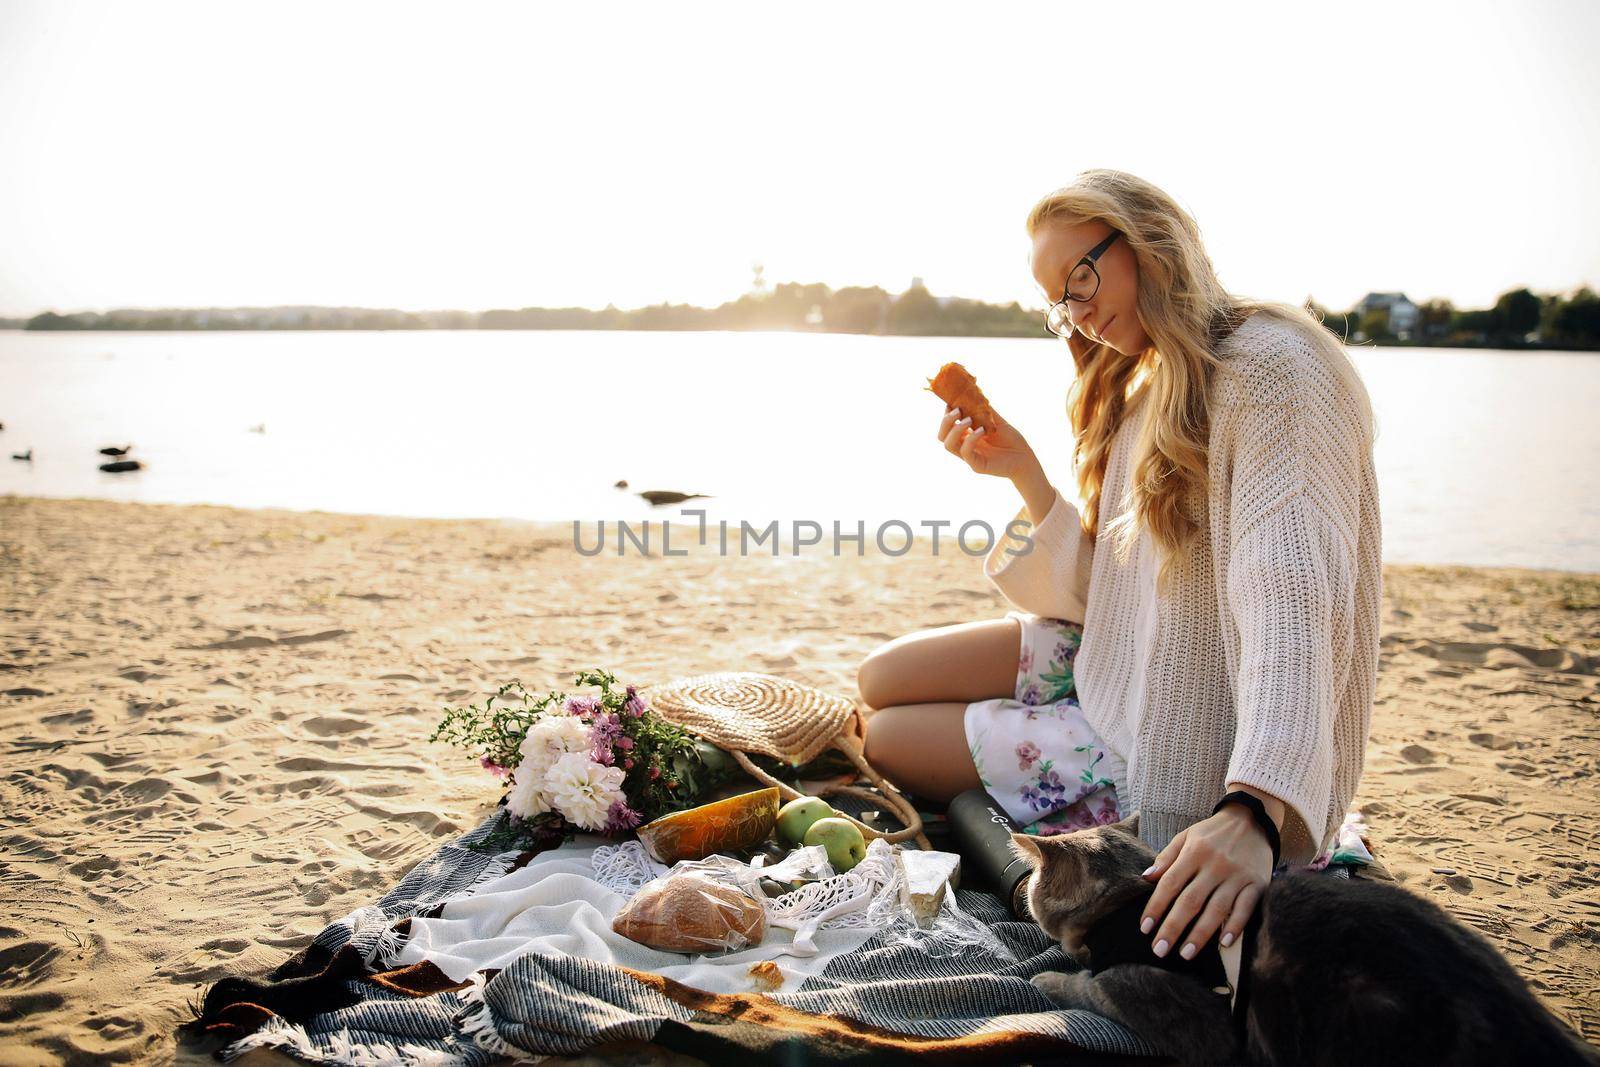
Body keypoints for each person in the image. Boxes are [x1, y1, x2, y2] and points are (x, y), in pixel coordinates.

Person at [857, 168, 1382, 965]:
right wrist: (1025, 472)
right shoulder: (1148, 385)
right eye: (1059, 300)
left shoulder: (1274, 369)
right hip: (1113, 654)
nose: (1077, 311)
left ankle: (1268, 797)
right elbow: (1118, 584)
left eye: (1082, 276)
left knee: (890, 736)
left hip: (1172, 730)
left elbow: (1295, 594)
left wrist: (1256, 808)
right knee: (878, 677)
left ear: (1147, 240)